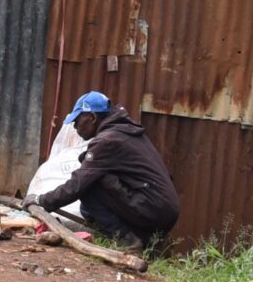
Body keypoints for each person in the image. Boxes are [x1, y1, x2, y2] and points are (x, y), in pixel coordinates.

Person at [33, 91, 181, 252]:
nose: (75, 127)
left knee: (88, 187)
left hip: (153, 209)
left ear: (92, 118)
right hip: (162, 209)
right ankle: (144, 240)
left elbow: (77, 184)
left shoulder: (108, 141)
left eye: (77, 121)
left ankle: (128, 241)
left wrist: (41, 201)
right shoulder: (127, 133)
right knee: (87, 206)